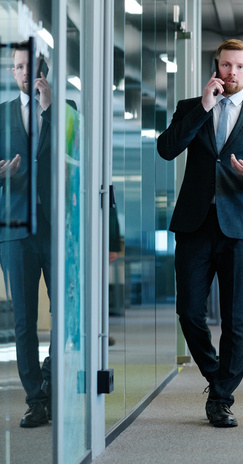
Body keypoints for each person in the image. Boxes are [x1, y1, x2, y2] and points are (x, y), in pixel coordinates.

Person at [157, 39, 243, 428]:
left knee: (236, 319)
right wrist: (203, 108)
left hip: (239, 228)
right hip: (194, 225)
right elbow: (166, 149)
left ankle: (221, 398)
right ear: (216, 67)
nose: (232, 73)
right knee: (190, 313)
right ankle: (218, 377)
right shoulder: (191, 108)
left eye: (239, 67)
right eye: (226, 65)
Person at [0, 42, 54, 428]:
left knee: (68, 314)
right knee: (23, 321)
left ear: (42, 71)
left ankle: (51, 376)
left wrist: (50, 110)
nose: (23, 73)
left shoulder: (63, 112)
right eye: (17, 67)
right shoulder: (1, 116)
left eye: (29, 67)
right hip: (15, 229)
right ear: (12, 72)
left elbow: (79, 160)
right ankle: (36, 398)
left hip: (55, 228)